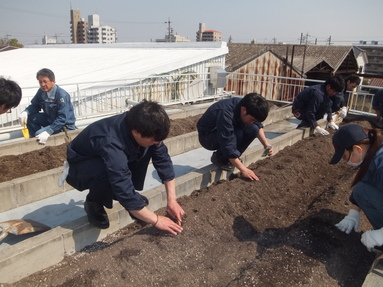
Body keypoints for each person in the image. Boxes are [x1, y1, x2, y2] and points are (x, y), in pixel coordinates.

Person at [62, 100, 184, 235]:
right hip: (80, 166)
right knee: (105, 170)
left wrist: (172, 200)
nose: (156, 142)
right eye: (153, 139)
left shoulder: (143, 125)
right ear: (136, 132)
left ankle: (124, 197)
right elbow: (120, 179)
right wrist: (155, 220)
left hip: (110, 158)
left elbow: (163, 161)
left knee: (147, 148)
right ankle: (93, 201)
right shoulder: (111, 142)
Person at [330, 124, 383, 252]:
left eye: (345, 156)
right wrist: (353, 214)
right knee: (361, 190)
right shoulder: (372, 155)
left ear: (358, 149)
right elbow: (365, 182)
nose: (345, 161)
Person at [196, 93, 272, 181]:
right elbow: (228, 143)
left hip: (223, 132)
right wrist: (244, 170)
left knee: (253, 129)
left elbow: (257, 125)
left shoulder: (246, 106)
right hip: (207, 137)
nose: (252, 122)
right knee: (237, 134)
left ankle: (230, 159)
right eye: (252, 119)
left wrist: (266, 144)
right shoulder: (226, 113)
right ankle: (219, 158)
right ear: (244, 110)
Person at [18, 68, 76, 145]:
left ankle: (40, 141)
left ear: (53, 81)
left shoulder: (61, 95)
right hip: (50, 119)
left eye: (45, 81)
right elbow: (35, 105)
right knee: (31, 118)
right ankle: (35, 140)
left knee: (38, 134)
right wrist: (26, 111)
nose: (42, 84)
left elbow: (62, 118)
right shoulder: (42, 92)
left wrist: (48, 131)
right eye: (40, 82)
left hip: (64, 126)